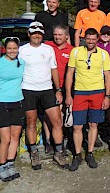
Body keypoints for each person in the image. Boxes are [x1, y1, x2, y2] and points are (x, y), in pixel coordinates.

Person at [19, 21, 68, 170]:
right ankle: (34, 152)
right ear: (29, 34)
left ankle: (59, 152)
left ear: (42, 35)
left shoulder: (48, 49)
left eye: (39, 33)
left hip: (47, 89)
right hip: (28, 89)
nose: (37, 36)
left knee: (57, 121)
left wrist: (58, 89)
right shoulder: (22, 50)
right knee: (31, 122)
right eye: (34, 33)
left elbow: (54, 69)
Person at [65, 27, 110, 171]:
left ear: (97, 39)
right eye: (88, 39)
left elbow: (107, 76)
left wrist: (107, 95)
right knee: (77, 126)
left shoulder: (103, 54)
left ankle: (90, 153)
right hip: (80, 92)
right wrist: (68, 94)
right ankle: (78, 154)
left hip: (98, 92)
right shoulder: (76, 51)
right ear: (84, 39)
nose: (91, 41)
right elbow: (69, 74)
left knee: (93, 125)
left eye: (93, 39)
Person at [44, 24, 74, 154]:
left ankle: (61, 140)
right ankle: (48, 141)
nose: (57, 37)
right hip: (48, 86)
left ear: (66, 36)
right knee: (48, 115)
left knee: (62, 115)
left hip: (65, 87)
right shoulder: (47, 46)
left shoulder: (72, 50)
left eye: (60, 35)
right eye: (55, 34)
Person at [0, 37, 25, 181]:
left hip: (18, 102)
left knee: (15, 136)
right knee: (5, 138)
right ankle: (2, 166)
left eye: (14, 48)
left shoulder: (22, 63)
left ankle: (10, 163)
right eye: (9, 48)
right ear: (4, 49)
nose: (12, 51)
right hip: (2, 103)